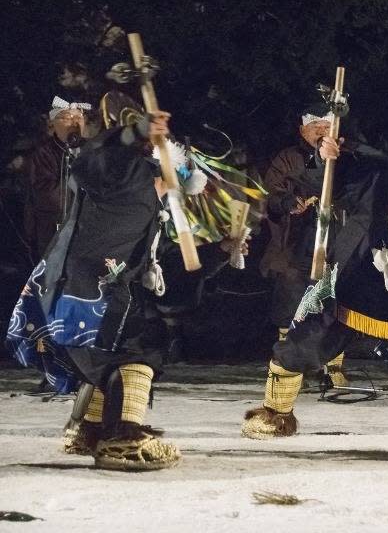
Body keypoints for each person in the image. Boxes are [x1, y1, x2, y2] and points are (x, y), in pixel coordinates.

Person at [7, 92, 247, 470]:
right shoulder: (117, 181)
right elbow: (93, 160)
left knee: (141, 343)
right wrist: (134, 130)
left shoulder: (156, 210)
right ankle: (120, 438)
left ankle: (94, 428)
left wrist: (221, 250)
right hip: (81, 293)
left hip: (113, 297)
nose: (175, 184)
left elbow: (173, 277)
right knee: (131, 352)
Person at [241, 122, 388, 439]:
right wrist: (325, 157)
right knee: (299, 344)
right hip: (348, 283)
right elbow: (327, 185)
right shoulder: (377, 178)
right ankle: (274, 413)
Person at [260, 103, 348, 385]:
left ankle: (332, 368)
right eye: (315, 127)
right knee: (292, 298)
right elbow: (272, 192)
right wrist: (287, 202)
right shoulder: (288, 159)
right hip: (297, 240)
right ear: (302, 130)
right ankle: (287, 366)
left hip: (336, 238)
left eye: (326, 125)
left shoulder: (345, 155)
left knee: (336, 299)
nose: (322, 131)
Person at [25, 96, 91, 259]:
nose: (75, 123)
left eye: (79, 117)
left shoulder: (94, 150)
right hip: (53, 235)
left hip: (88, 235)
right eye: (67, 118)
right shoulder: (42, 154)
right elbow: (49, 198)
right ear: (53, 124)